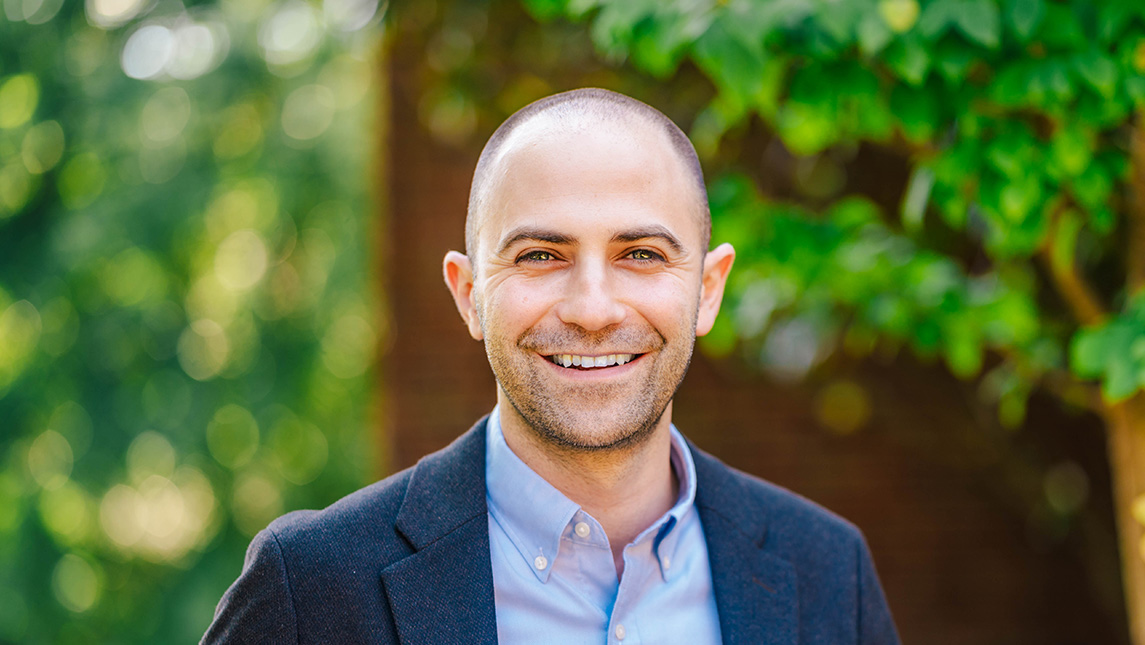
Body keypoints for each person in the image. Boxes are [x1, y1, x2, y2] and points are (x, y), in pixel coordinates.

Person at [202, 88, 900, 644]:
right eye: (540, 255)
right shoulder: (312, 588)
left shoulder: (827, 572)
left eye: (641, 255)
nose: (592, 309)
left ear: (707, 291)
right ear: (470, 294)